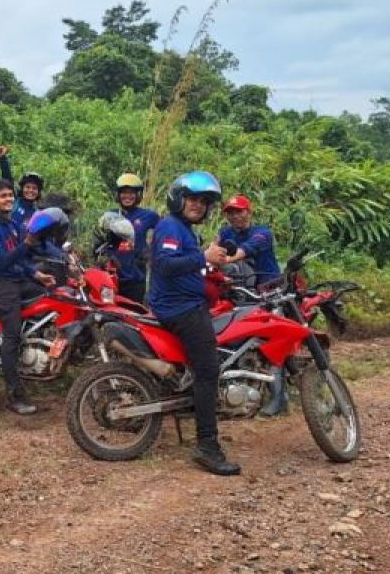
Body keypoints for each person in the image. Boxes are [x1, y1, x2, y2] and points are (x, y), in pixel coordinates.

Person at [148, 170, 240, 476]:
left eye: (203, 201)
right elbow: (164, 264)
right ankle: (207, 446)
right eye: (192, 199)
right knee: (208, 370)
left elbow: (187, 267)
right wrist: (203, 257)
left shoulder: (185, 229)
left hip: (188, 304)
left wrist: (214, 270)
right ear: (178, 198)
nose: (198, 205)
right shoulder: (170, 226)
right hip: (180, 309)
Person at [0, 179, 56, 416]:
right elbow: (2, 259)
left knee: (54, 300)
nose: (9, 199)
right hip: (0, 285)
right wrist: (27, 244)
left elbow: (20, 261)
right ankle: (14, 395)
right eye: (3, 196)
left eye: (11, 195)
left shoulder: (11, 225)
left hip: (17, 279)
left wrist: (38, 274)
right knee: (13, 335)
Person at [218, 194, 286, 415]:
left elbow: (245, 250)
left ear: (249, 211)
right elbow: (216, 247)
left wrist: (224, 259)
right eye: (230, 212)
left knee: (273, 340)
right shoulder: (226, 233)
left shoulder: (262, 233)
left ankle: (279, 397)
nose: (235, 216)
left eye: (239, 211)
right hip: (242, 292)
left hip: (270, 290)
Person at [107, 173, 160, 304]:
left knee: (133, 317)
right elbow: (98, 242)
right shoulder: (109, 216)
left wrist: (151, 251)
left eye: (132, 193)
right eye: (124, 192)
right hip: (111, 277)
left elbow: (165, 232)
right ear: (118, 195)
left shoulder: (148, 215)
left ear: (138, 195)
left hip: (135, 277)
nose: (127, 196)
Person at [0, 144, 44, 229]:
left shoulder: (38, 212)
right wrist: (2, 159)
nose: (30, 191)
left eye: (34, 188)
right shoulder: (14, 201)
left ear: (38, 191)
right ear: (22, 188)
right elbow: (7, 179)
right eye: (27, 187)